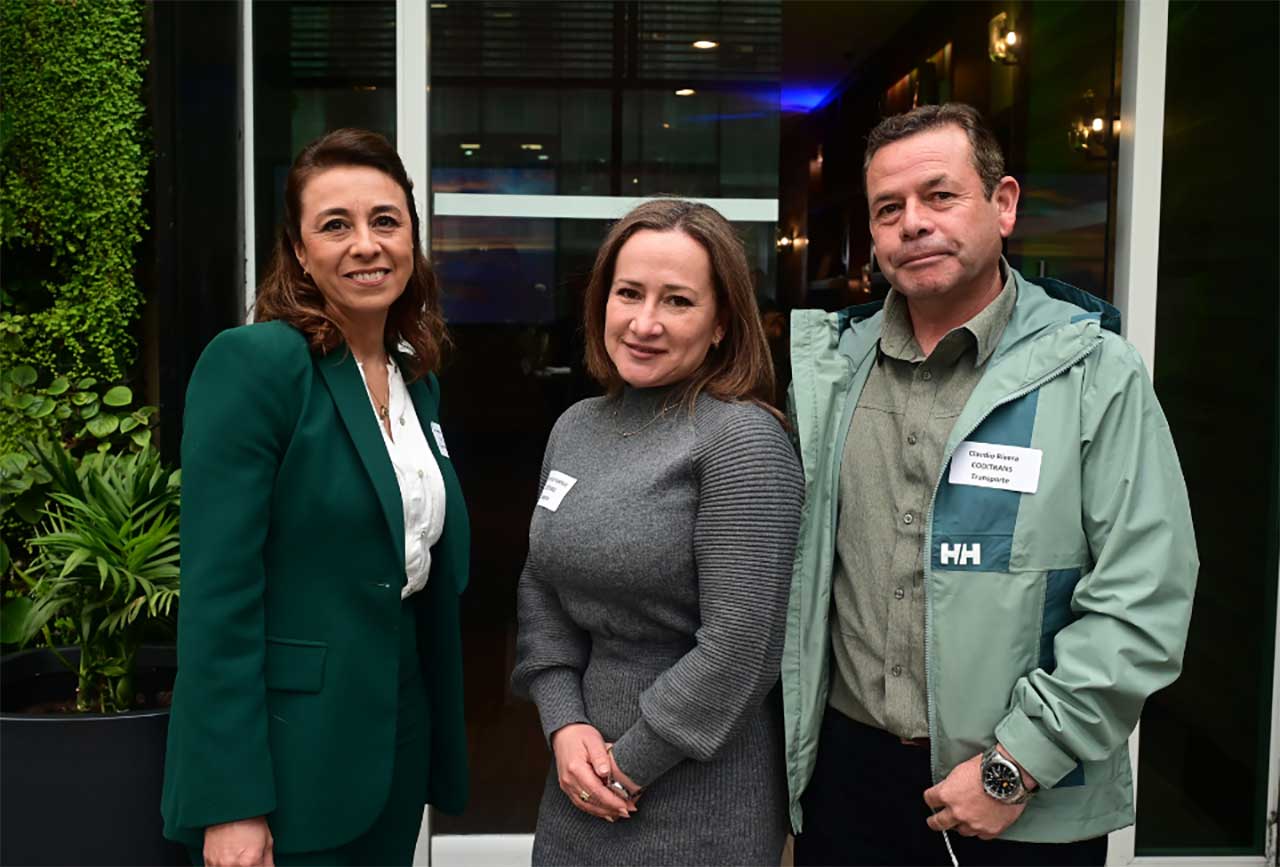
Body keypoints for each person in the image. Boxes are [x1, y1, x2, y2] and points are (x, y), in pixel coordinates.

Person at [784, 103, 1198, 867]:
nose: (913, 222)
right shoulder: (830, 370)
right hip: (848, 778)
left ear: (1003, 204)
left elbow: (1143, 594)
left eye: (940, 195)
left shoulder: (1092, 372)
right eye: (888, 208)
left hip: (1020, 794)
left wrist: (1017, 765)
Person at [161, 128, 470, 867]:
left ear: (412, 238)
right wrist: (230, 799)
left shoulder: (415, 378)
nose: (366, 244)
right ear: (299, 251)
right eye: (336, 225)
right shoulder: (257, 364)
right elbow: (219, 597)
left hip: (394, 733)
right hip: (290, 754)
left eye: (385, 220)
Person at [511, 198, 804, 866]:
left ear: (722, 322)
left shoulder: (742, 441)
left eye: (677, 301)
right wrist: (563, 723)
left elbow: (742, 648)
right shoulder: (576, 427)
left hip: (696, 792)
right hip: (577, 773)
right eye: (629, 293)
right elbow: (541, 587)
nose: (645, 323)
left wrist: (628, 763)